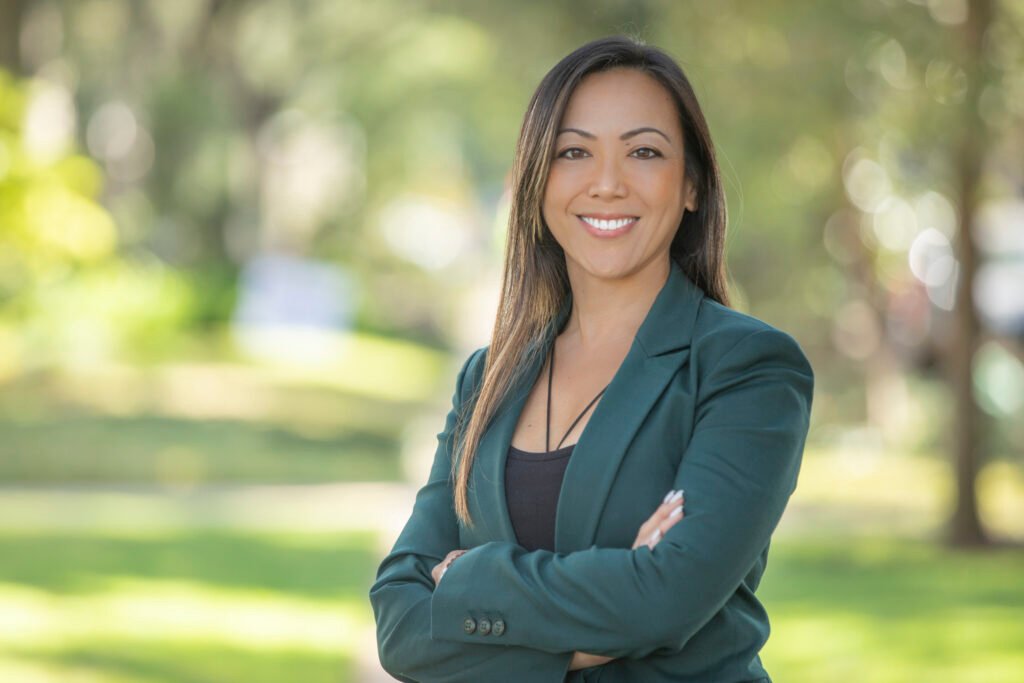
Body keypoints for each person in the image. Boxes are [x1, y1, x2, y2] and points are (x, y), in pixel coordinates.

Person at [369, 35, 814, 682]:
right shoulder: (487, 377)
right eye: (573, 152)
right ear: (537, 182)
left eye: (643, 151)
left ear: (690, 184)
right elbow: (400, 625)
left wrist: (468, 580)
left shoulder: (746, 368)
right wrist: (614, 600)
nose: (607, 183)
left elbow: (666, 599)